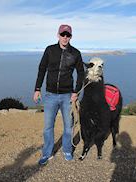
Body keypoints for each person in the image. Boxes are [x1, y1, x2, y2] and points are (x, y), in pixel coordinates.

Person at [33, 24, 84, 165]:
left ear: (71, 37)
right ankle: (47, 153)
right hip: (50, 95)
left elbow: (81, 73)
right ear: (58, 35)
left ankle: (67, 150)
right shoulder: (50, 50)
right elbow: (42, 69)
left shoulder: (75, 53)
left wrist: (76, 91)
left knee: (69, 126)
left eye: (68, 35)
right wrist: (37, 89)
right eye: (63, 34)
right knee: (48, 126)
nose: (65, 37)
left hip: (68, 95)